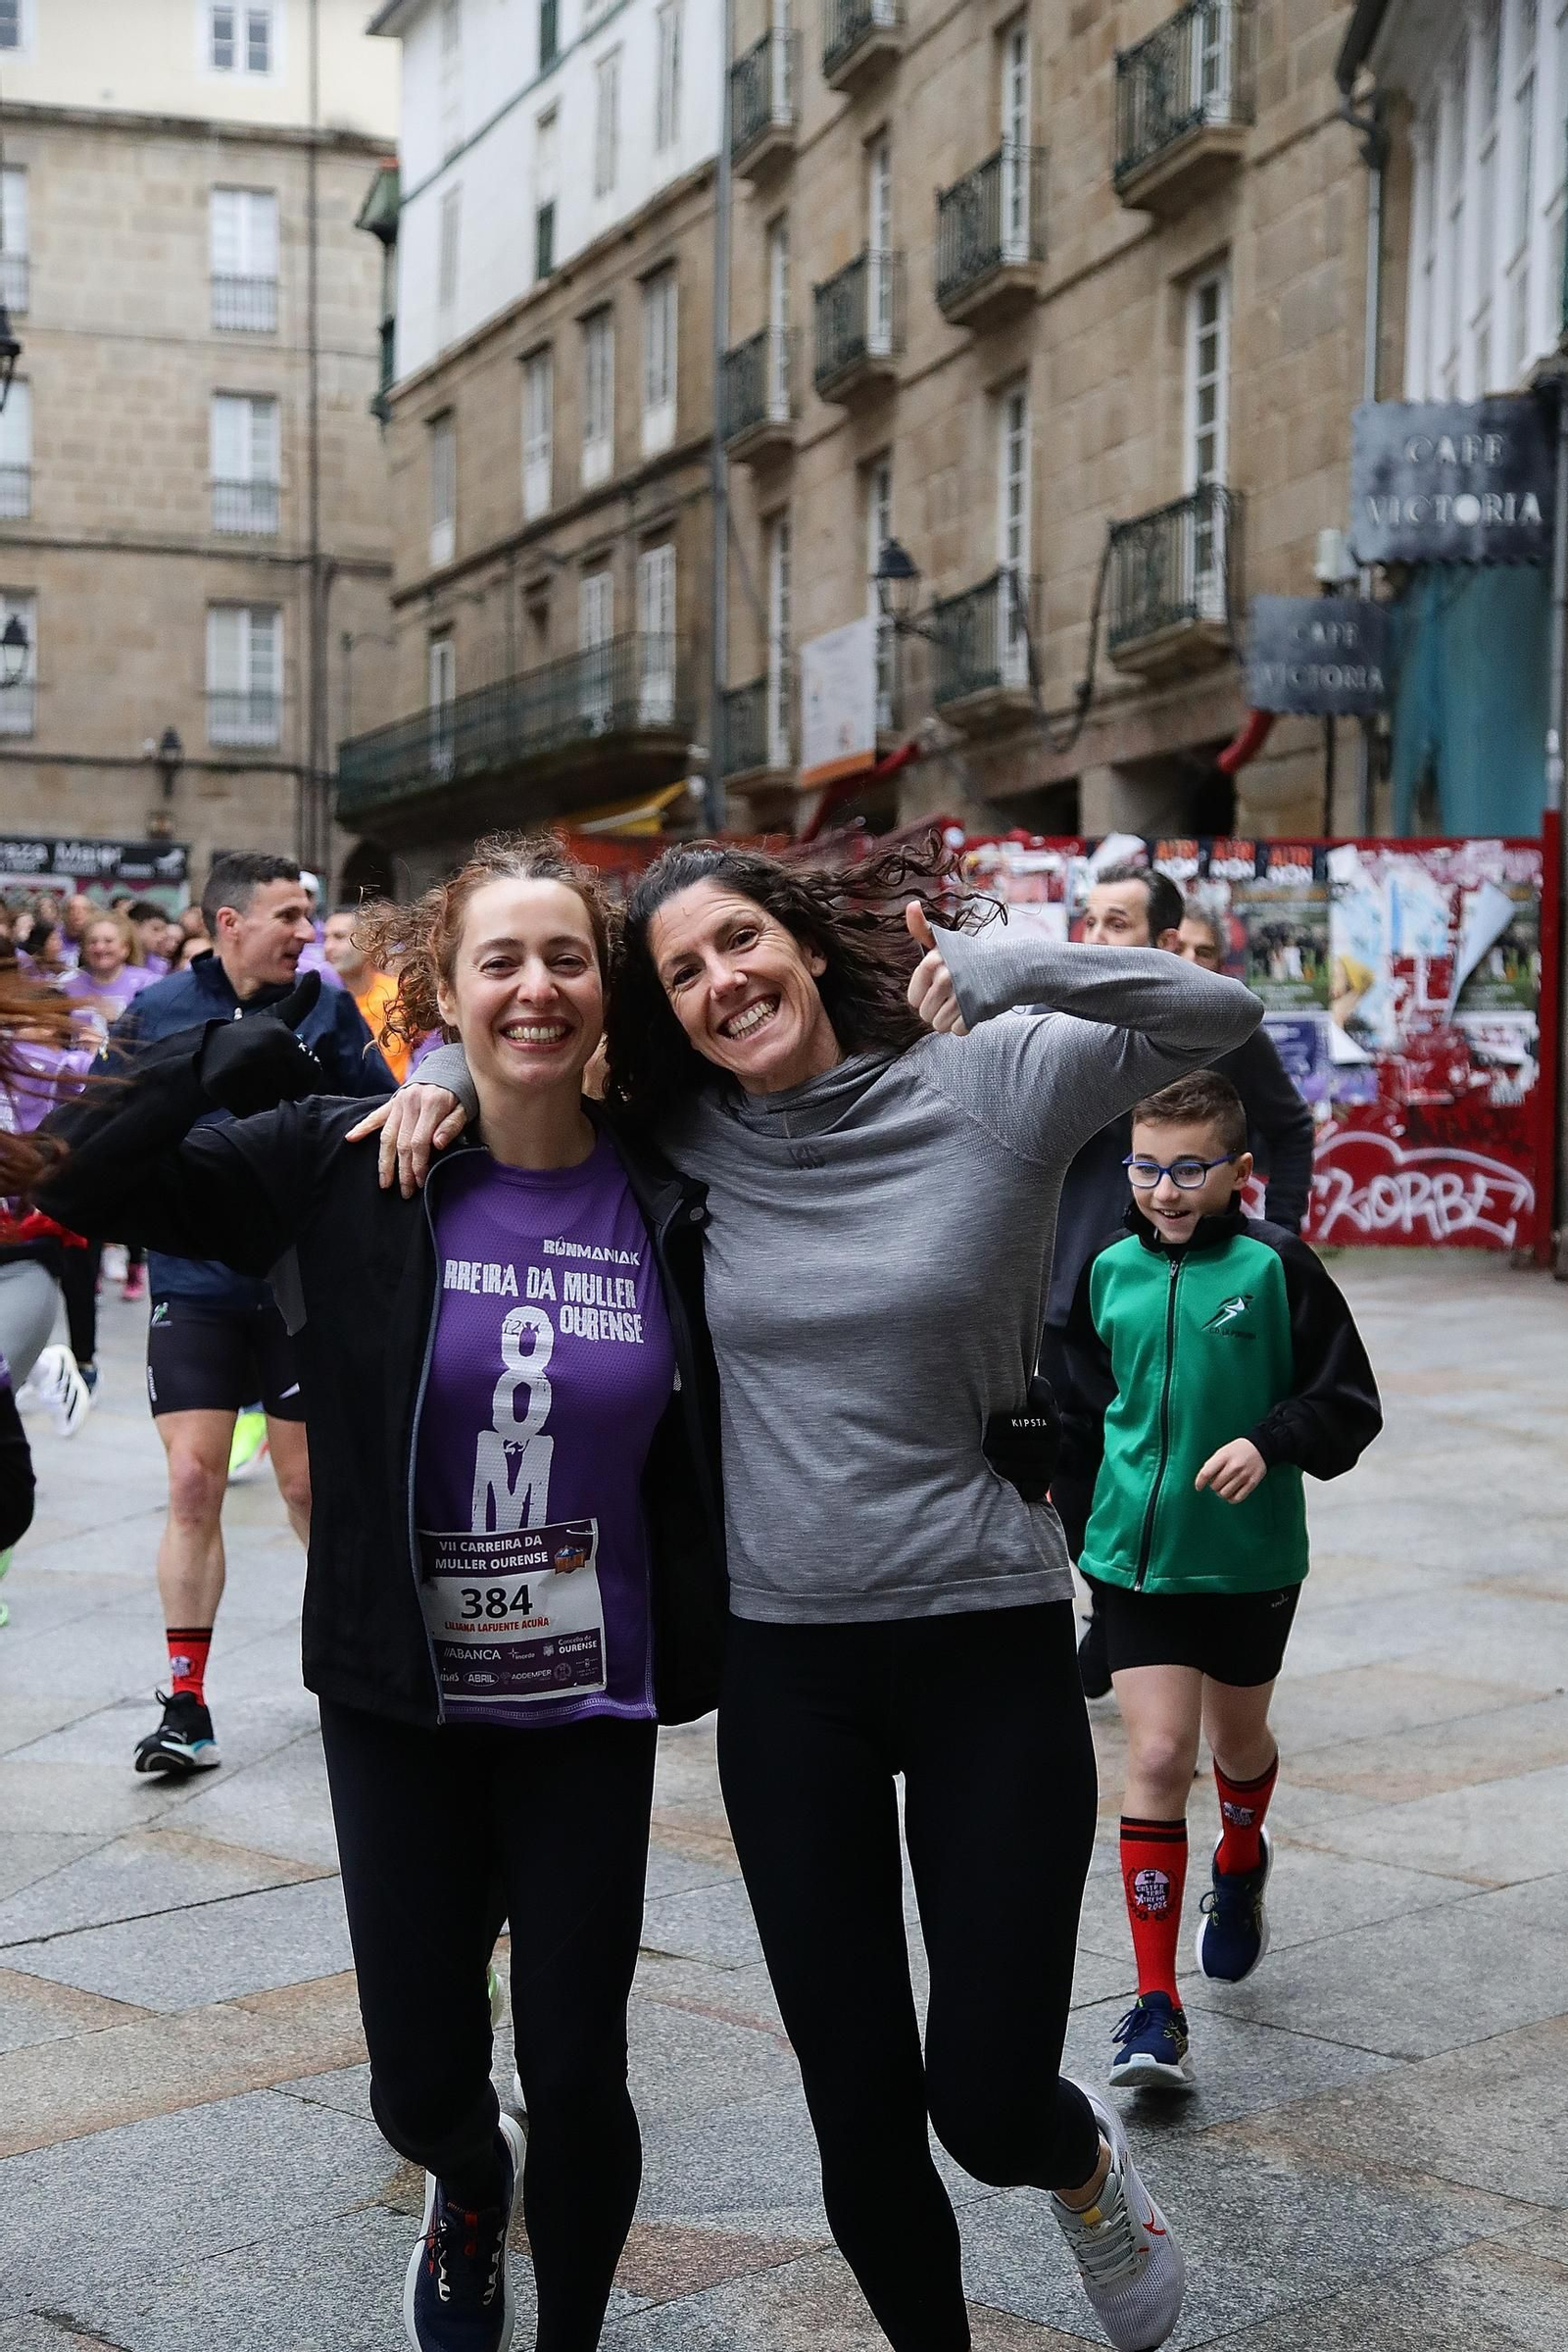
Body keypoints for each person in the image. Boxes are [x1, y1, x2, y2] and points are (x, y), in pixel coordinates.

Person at [372, 834, 1268, 2352]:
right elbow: (537, 1084)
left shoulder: (987, 1079)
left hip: (987, 1641)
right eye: (684, 975)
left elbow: (1214, 1018)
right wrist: (443, 1087)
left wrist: (1009, 963)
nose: (725, 985)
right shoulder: (688, 1138)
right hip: (792, 1679)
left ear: (798, 936)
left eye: (741, 941)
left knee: (979, 2096)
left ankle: (1079, 2164)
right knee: (857, 2112)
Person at [39, 832, 730, 2352]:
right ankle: (469, 2183)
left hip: (586, 1708)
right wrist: (240, 1041)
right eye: (502, 960)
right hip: (399, 1700)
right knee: (422, 2083)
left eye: (568, 959)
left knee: (581, 2061)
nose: (538, 988)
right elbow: (86, 1177)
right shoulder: (355, 1164)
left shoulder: (678, 1186)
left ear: (609, 996)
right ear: (442, 993)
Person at [1054, 1069, 1380, 2092]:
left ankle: (1239, 1862)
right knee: (1155, 1757)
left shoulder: (1278, 1267)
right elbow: (1076, 1415)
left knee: (1238, 1745)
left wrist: (1268, 1440)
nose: (1164, 1189)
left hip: (1248, 1562)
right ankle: (1154, 2008)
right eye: (1147, 1166)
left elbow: (1347, 1402)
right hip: (1133, 1564)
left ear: (1239, 1172)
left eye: (1188, 1168)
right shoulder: (1104, 1271)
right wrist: (1081, 1525)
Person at [100, 852, 394, 1777]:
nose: (307, 934)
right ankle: (185, 1703)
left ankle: (361, 1668)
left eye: (310, 918)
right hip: (192, 1284)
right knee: (193, 1482)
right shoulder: (156, 1014)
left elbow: (382, 1116)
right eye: (290, 916)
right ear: (229, 924)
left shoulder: (327, 1007)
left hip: (295, 1284)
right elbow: (103, 1134)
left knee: (310, 1489)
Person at [1051, 864, 1318, 1701]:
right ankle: (1117, 1607)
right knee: (1078, 1483)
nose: (1096, 939)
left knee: (1181, 1467)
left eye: (1117, 922)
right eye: (1087, 921)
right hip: (1073, 1298)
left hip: (1193, 1303)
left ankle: (1149, 1628)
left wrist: (1276, 1243)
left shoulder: (1221, 1022)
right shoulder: (1058, 1029)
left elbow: (1291, 1128)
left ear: (1165, 943)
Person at [322, 904, 412, 1081]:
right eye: (325, 938)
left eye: (339, 937)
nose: (328, 947)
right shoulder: (325, 1005)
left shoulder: (404, 994)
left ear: (369, 942)